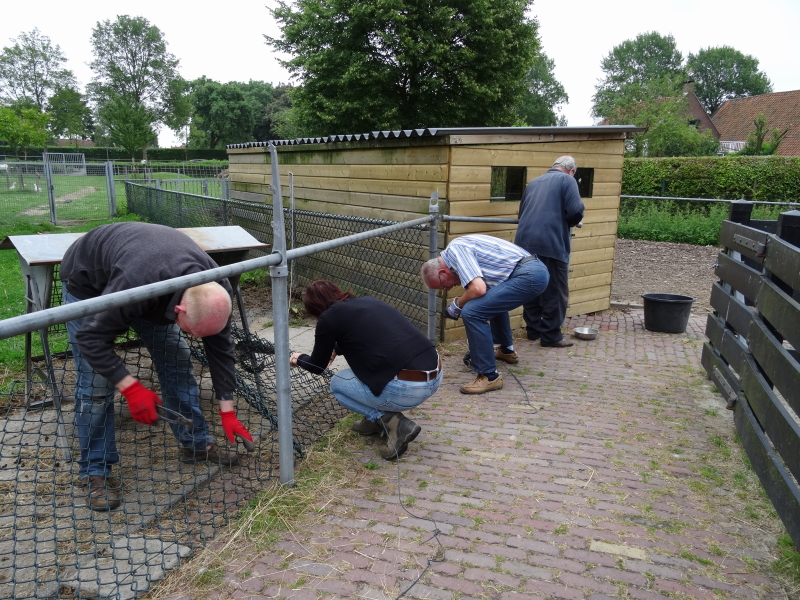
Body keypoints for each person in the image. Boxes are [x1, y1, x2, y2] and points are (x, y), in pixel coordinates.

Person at [61, 222, 253, 511]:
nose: (197, 337)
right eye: (193, 330)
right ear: (180, 309)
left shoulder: (216, 286)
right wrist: (131, 388)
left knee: (177, 356)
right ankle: (95, 472)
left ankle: (196, 443)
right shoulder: (137, 282)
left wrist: (228, 409)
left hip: (148, 285)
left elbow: (221, 350)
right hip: (90, 282)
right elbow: (91, 339)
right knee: (96, 383)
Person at [289, 280, 442, 460]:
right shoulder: (369, 301)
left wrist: (298, 358)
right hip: (435, 375)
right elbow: (368, 334)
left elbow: (317, 366)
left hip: (409, 389)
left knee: (337, 384)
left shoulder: (328, 318)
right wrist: (336, 349)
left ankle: (389, 421)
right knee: (362, 372)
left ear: (314, 308)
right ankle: (375, 422)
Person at [420, 235, 549, 394]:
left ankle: (489, 376)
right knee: (488, 301)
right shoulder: (458, 252)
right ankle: (507, 351)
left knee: (472, 312)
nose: (447, 289)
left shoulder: (455, 250)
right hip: (532, 271)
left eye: (442, 286)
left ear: (442, 272)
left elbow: (478, 289)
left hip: (529, 274)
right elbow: (483, 291)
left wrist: (457, 304)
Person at [514, 156, 585, 348]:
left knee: (532, 286)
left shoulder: (534, 182)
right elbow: (576, 210)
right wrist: (570, 222)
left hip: (524, 244)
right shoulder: (567, 180)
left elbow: (521, 214)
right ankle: (551, 336)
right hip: (551, 242)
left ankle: (534, 331)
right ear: (571, 171)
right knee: (555, 290)